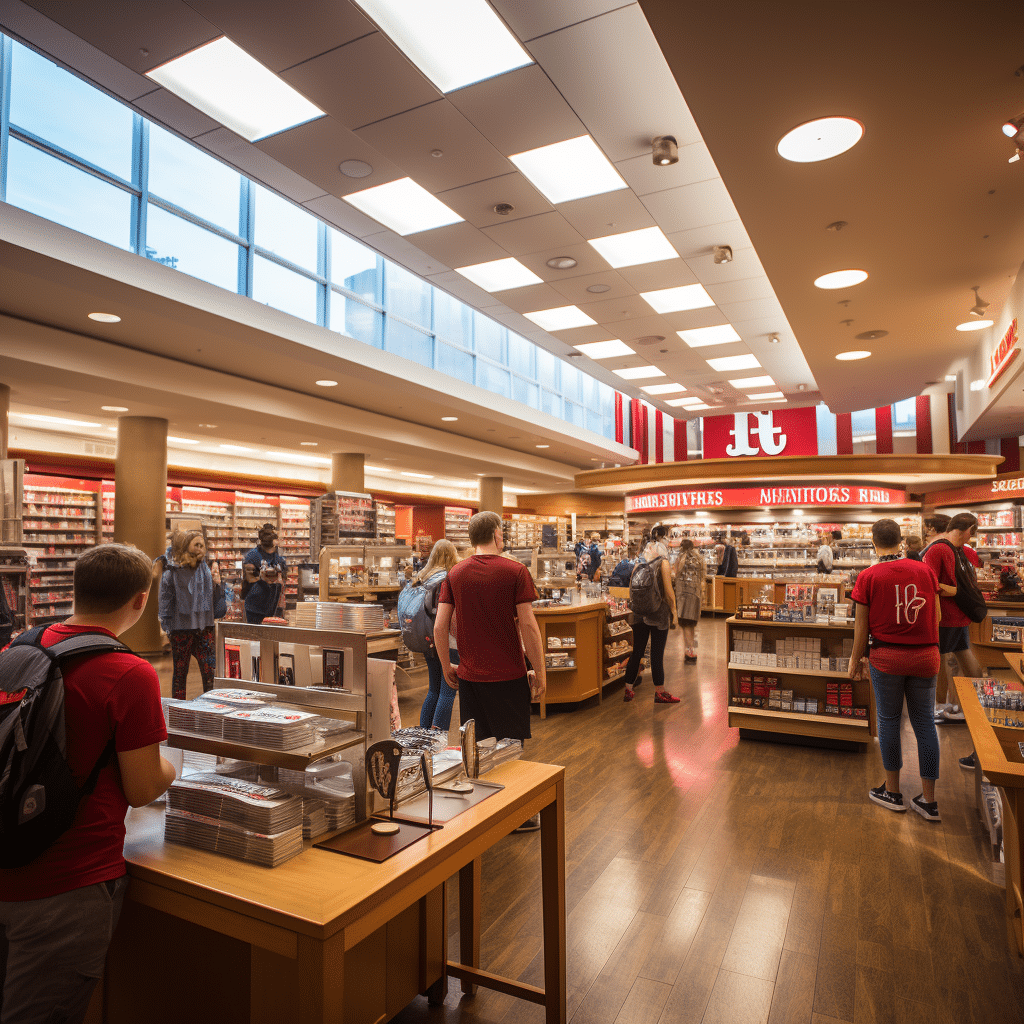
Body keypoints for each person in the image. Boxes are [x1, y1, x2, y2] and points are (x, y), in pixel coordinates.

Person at [0, 544, 175, 1023]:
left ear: (76, 589)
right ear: (141, 600)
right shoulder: (130, 672)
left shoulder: (17, 650)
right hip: (68, 885)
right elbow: (143, 788)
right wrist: (174, 768)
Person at [434, 512, 546, 831]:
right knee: (510, 749)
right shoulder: (516, 571)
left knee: (479, 748)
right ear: (497, 534)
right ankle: (516, 816)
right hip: (509, 676)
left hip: (470, 678)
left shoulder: (455, 574)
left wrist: (445, 665)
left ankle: (486, 812)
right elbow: (529, 626)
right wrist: (540, 671)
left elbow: (440, 626)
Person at [849, 518, 942, 820]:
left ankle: (892, 792)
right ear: (901, 541)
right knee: (925, 723)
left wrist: (855, 660)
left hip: (887, 657)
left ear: (873, 543)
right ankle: (929, 801)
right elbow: (938, 616)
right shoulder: (925, 571)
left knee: (888, 721)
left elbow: (861, 627)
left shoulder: (868, 576)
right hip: (926, 656)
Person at [923, 511, 982, 724]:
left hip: (946, 616)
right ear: (967, 529)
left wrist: (956, 592)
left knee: (941, 662)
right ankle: (968, 705)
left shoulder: (940, 549)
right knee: (961, 656)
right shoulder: (955, 550)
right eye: (972, 532)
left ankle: (943, 708)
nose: (971, 537)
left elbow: (929, 582)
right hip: (957, 614)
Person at [159, 529, 216, 700]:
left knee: (209, 672)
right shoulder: (171, 573)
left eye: (202, 545)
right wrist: (167, 627)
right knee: (180, 672)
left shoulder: (205, 570)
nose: (200, 549)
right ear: (185, 547)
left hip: (204, 627)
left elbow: (212, 600)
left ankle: (211, 705)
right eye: (196, 545)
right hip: (181, 629)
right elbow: (165, 602)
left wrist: (218, 584)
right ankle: (178, 708)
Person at [622, 541, 679, 704]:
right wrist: (674, 611)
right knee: (656, 654)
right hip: (658, 614)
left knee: (637, 652)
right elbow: (668, 591)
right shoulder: (663, 563)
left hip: (639, 613)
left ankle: (628, 689)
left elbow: (631, 589)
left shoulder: (638, 563)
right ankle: (660, 692)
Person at [414, 539, 461, 732]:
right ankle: (439, 738)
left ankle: (425, 734)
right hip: (448, 641)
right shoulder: (449, 578)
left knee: (433, 689)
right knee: (448, 691)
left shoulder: (422, 577)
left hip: (427, 639)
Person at [242, 522, 288, 625]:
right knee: (256, 633)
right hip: (255, 607)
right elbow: (248, 579)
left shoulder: (278, 556)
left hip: (272, 605)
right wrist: (261, 578)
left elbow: (283, 579)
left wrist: (279, 579)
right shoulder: (253, 555)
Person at [674, 538, 704, 663]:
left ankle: (689, 651)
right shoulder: (699, 558)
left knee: (685, 624)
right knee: (692, 625)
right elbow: (703, 576)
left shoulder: (680, 558)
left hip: (683, 596)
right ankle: (693, 649)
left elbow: (676, 573)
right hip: (696, 595)